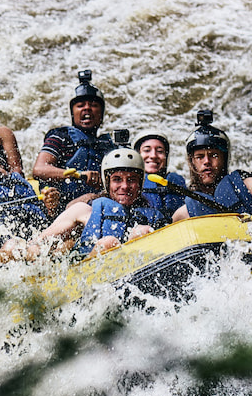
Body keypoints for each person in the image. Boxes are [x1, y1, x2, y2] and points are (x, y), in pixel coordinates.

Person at [11, 147, 165, 261]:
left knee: (143, 232)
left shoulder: (153, 217)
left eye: (131, 180)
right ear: (107, 182)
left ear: (140, 183)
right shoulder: (82, 210)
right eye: (117, 179)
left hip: (133, 271)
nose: (124, 186)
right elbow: (39, 243)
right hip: (84, 272)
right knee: (108, 243)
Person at [171, 109, 252, 222]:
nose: (206, 161)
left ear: (224, 159)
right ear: (192, 163)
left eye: (214, 155)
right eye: (200, 157)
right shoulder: (183, 213)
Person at [30, 69, 118, 212]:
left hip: (95, 203)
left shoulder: (109, 147)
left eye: (94, 105)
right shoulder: (61, 137)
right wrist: (80, 175)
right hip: (61, 207)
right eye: (80, 105)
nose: (87, 108)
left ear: (101, 114)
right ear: (73, 112)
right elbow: (39, 169)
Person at [135, 130, 186, 223]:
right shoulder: (126, 186)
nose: (153, 155)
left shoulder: (177, 182)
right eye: (147, 150)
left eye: (160, 151)